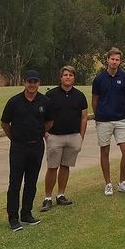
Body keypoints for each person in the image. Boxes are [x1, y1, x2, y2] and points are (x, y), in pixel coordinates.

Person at [1, 70, 53, 231]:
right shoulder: (14, 101)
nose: (32, 85)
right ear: (25, 82)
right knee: (15, 183)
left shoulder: (45, 101)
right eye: (29, 82)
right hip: (18, 147)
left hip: (36, 146)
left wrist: (37, 134)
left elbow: (49, 122)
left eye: (35, 82)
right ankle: (13, 217)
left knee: (31, 182)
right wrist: (15, 138)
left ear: (39, 83)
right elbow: (5, 123)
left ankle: (26, 213)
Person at [40, 65, 88, 212]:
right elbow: (42, 116)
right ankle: (48, 197)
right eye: (65, 75)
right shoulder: (51, 95)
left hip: (73, 136)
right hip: (54, 136)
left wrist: (81, 136)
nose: (68, 77)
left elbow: (84, 117)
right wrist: (46, 134)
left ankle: (61, 195)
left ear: (74, 78)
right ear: (61, 77)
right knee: (52, 167)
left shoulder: (79, 96)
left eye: (71, 75)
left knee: (65, 166)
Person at [92, 47, 125, 196]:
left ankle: (122, 182)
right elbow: (95, 101)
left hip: (120, 120)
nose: (114, 62)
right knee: (105, 151)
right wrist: (99, 116)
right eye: (112, 59)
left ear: (120, 61)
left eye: (117, 59)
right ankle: (108, 183)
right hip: (103, 120)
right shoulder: (99, 79)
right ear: (107, 60)